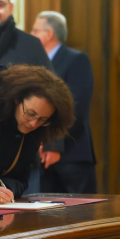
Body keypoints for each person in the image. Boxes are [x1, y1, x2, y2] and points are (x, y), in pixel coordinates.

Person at [0, 65, 75, 204]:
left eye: (42, 120)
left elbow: (20, 179)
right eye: (30, 114)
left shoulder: (34, 132)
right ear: (16, 99)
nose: (33, 124)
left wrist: (3, 190)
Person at [31, 11, 97, 193]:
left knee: (81, 216)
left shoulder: (76, 60)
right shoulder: (37, 64)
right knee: (45, 218)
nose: (32, 35)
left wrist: (53, 145)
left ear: (49, 34)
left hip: (72, 153)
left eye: (35, 31)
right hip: (41, 155)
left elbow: (76, 106)